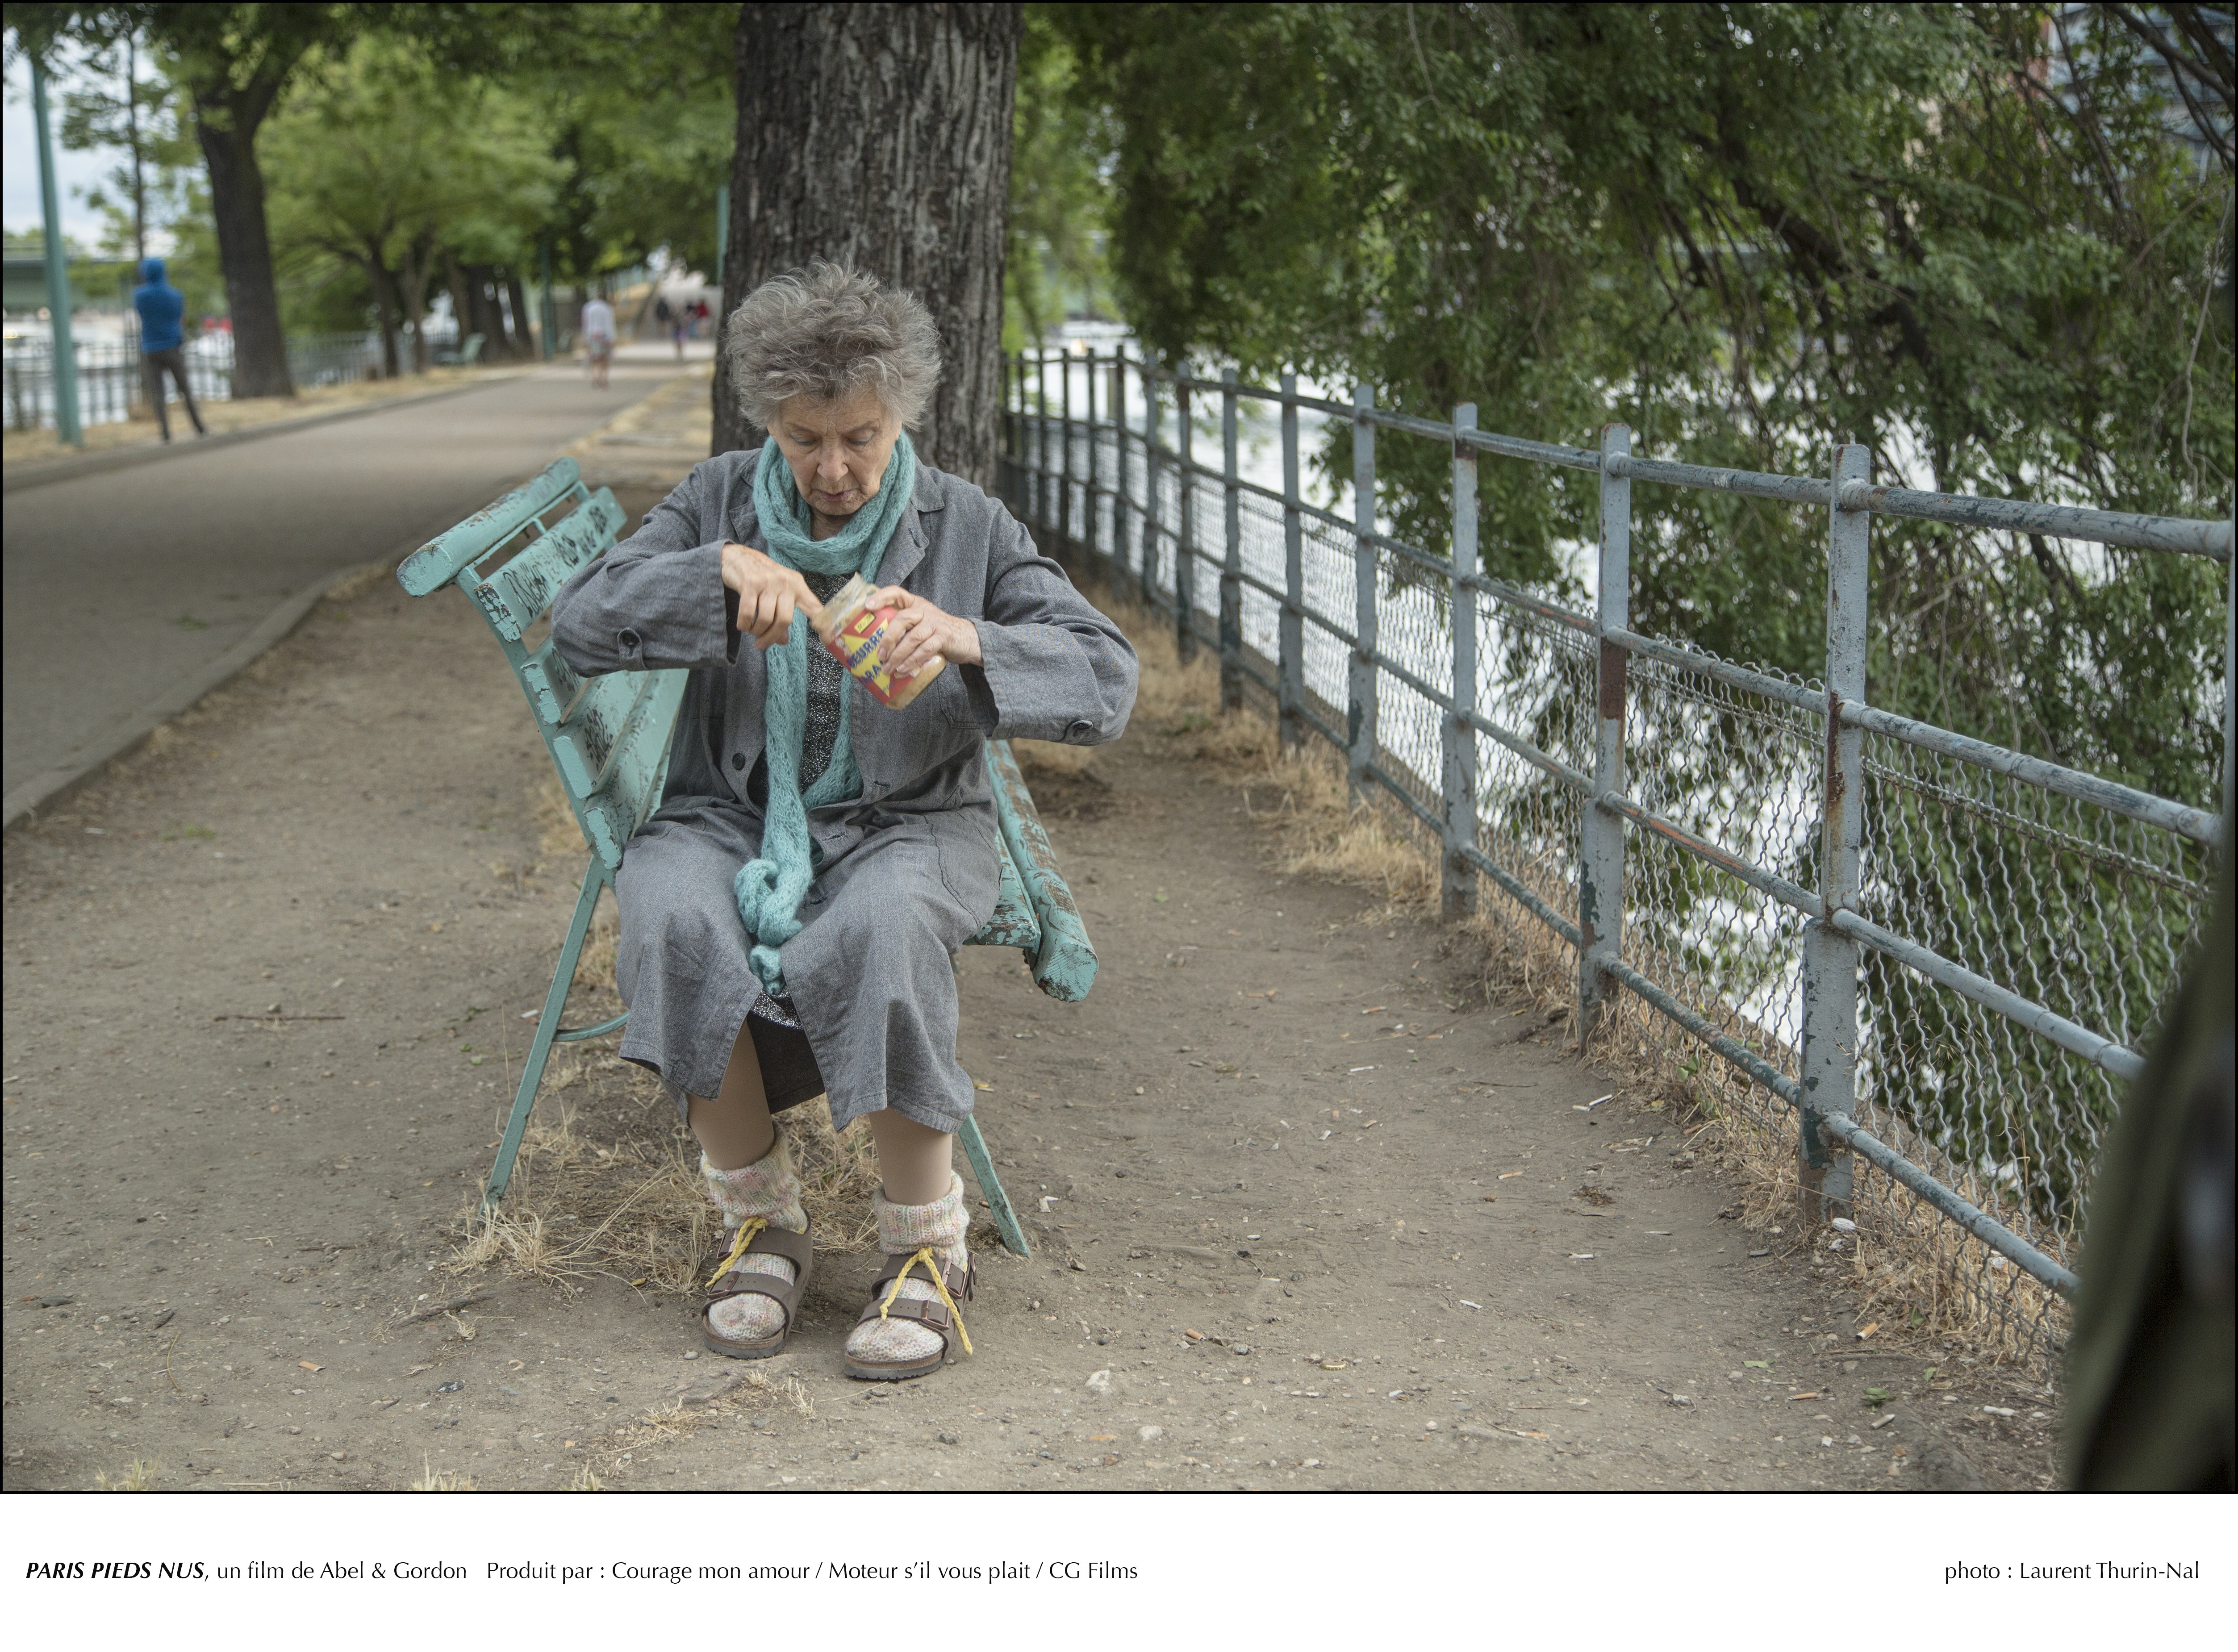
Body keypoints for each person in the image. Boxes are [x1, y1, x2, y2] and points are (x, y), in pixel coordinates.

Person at [549, 262, 1137, 1380]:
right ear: (768, 420)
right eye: (805, 438)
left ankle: (927, 1247)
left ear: (902, 416)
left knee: (883, 922)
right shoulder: (717, 499)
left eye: (859, 437)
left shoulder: (966, 522)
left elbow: (1108, 679)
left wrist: (966, 638)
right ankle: (762, 1221)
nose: (832, 469)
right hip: (728, 812)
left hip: (911, 820)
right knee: (672, 904)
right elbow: (579, 621)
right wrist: (708, 571)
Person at [132, 257, 205, 442]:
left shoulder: (141, 295)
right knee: (185, 389)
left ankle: (165, 433)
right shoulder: (175, 295)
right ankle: (199, 427)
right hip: (173, 346)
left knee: (158, 393)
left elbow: (141, 314)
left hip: (150, 348)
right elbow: (180, 317)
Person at [580, 292, 616, 388]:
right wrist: (612, 338)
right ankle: (604, 378)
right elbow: (610, 324)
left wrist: (585, 338)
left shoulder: (587, 308)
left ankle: (595, 377)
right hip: (605, 337)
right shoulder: (607, 308)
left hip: (592, 337)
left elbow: (585, 324)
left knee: (594, 359)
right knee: (605, 359)